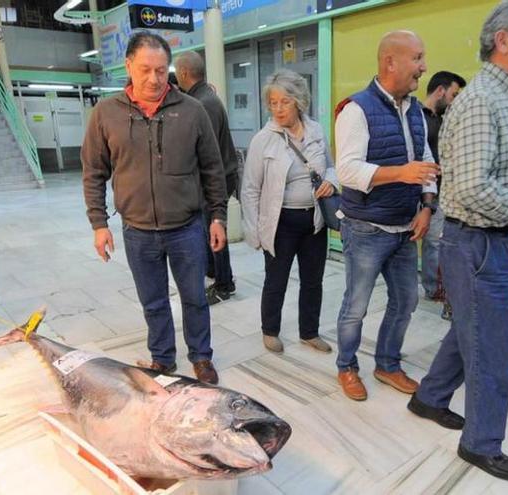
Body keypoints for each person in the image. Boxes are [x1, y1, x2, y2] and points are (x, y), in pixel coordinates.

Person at [408, 0, 508, 482]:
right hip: (476, 243)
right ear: (503, 40)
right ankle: (481, 444)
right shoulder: (481, 101)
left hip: (493, 241)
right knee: (491, 348)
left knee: (469, 330)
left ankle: (428, 398)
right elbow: (470, 185)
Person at [82, 32, 227, 385]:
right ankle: (162, 358)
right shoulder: (106, 113)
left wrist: (218, 216)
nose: (154, 78)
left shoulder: (192, 111)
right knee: (153, 301)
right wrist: (99, 224)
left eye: (162, 70)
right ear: (128, 65)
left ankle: (201, 356)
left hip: (187, 228)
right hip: (137, 231)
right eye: (145, 69)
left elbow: (213, 167)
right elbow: (94, 171)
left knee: (194, 297)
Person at [332, 30, 439, 402]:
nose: (424, 67)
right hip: (365, 229)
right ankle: (346, 367)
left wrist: (427, 206)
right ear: (390, 62)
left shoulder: (416, 111)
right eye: (418, 58)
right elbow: (346, 171)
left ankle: (387, 364)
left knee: (406, 300)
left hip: (406, 227)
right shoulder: (356, 109)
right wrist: (399, 173)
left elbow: (425, 160)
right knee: (356, 305)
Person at [241, 69, 337, 355]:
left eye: (285, 102)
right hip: (281, 222)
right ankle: (270, 331)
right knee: (276, 280)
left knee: (313, 280)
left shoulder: (317, 131)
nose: (278, 108)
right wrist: (254, 230)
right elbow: (249, 189)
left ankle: (309, 332)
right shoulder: (263, 139)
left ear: (299, 101)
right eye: (273, 103)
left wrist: (332, 181)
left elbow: (331, 166)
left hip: (314, 220)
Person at [174, 51, 241, 306]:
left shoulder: (202, 103)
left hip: (217, 179)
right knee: (208, 230)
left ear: (182, 73)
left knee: (215, 229)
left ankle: (225, 284)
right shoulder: (203, 97)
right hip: (219, 177)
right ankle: (214, 273)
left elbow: (206, 152)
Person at [420, 71, 466, 321]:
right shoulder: (415, 116)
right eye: (453, 94)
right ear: (440, 91)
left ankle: (432, 287)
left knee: (435, 240)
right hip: (414, 188)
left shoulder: (447, 119)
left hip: (440, 189)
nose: (454, 100)